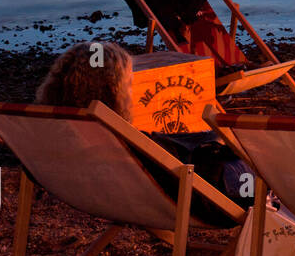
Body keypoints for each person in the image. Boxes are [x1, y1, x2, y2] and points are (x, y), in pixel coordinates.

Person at [35, 41, 253, 206]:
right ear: (114, 93)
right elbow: (180, 173)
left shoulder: (51, 139)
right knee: (259, 166)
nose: (132, 92)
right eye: (128, 84)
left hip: (107, 198)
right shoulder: (123, 145)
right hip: (205, 197)